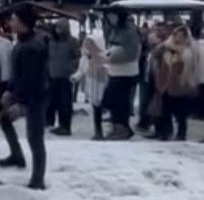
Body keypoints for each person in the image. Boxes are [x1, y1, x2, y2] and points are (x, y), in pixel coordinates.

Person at [0, 7, 50, 190]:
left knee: (35, 138)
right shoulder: (21, 42)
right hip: (22, 93)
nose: (10, 23)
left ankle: (38, 180)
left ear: (22, 22)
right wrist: (9, 91)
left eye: (13, 19)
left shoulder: (33, 47)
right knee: (3, 118)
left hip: (35, 97)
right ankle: (17, 156)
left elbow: (32, 80)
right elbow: (17, 73)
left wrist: (21, 103)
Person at [148, 26, 199, 141]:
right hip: (165, 84)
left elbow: (191, 67)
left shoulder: (189, 50)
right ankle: (166, 132)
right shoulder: (167, 49)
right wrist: (165, 44)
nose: (177, 38)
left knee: (181, 113)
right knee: (165, 110)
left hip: (181, 85)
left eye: (181, 36)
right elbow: (155, 54)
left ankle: (181, 133)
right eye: (176, 35)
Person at [102, 8, 141, 140]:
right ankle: (119, 126)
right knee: (112, 100)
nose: (111, 19)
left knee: (120, 102)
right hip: (114, 71)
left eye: (113, 16)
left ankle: (122, 128)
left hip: (126, 72)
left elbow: (131, 53)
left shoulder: (129, 31)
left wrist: (110, 57)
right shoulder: (115, 30)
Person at [45, 19, 81, 136]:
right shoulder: (51, 41)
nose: (58, 30)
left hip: (66, 77)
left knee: (65, 103)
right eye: (57, 27)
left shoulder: (72, 41)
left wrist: (71, 67)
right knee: (52, 100)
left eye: (60, 28)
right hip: (52, 75)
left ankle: (65, 126)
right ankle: (51, 122)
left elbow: (78, 57)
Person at [71, 37, 109, 140]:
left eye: (90, 45)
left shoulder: (103, 57)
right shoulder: (84, 59)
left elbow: (108, 70)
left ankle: (101, 131)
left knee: (100, 109)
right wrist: (75, 77)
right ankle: (98, 131)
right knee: (96, 109)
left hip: (102, 86)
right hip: (92, 87)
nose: (87, 47)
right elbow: (81, 70)